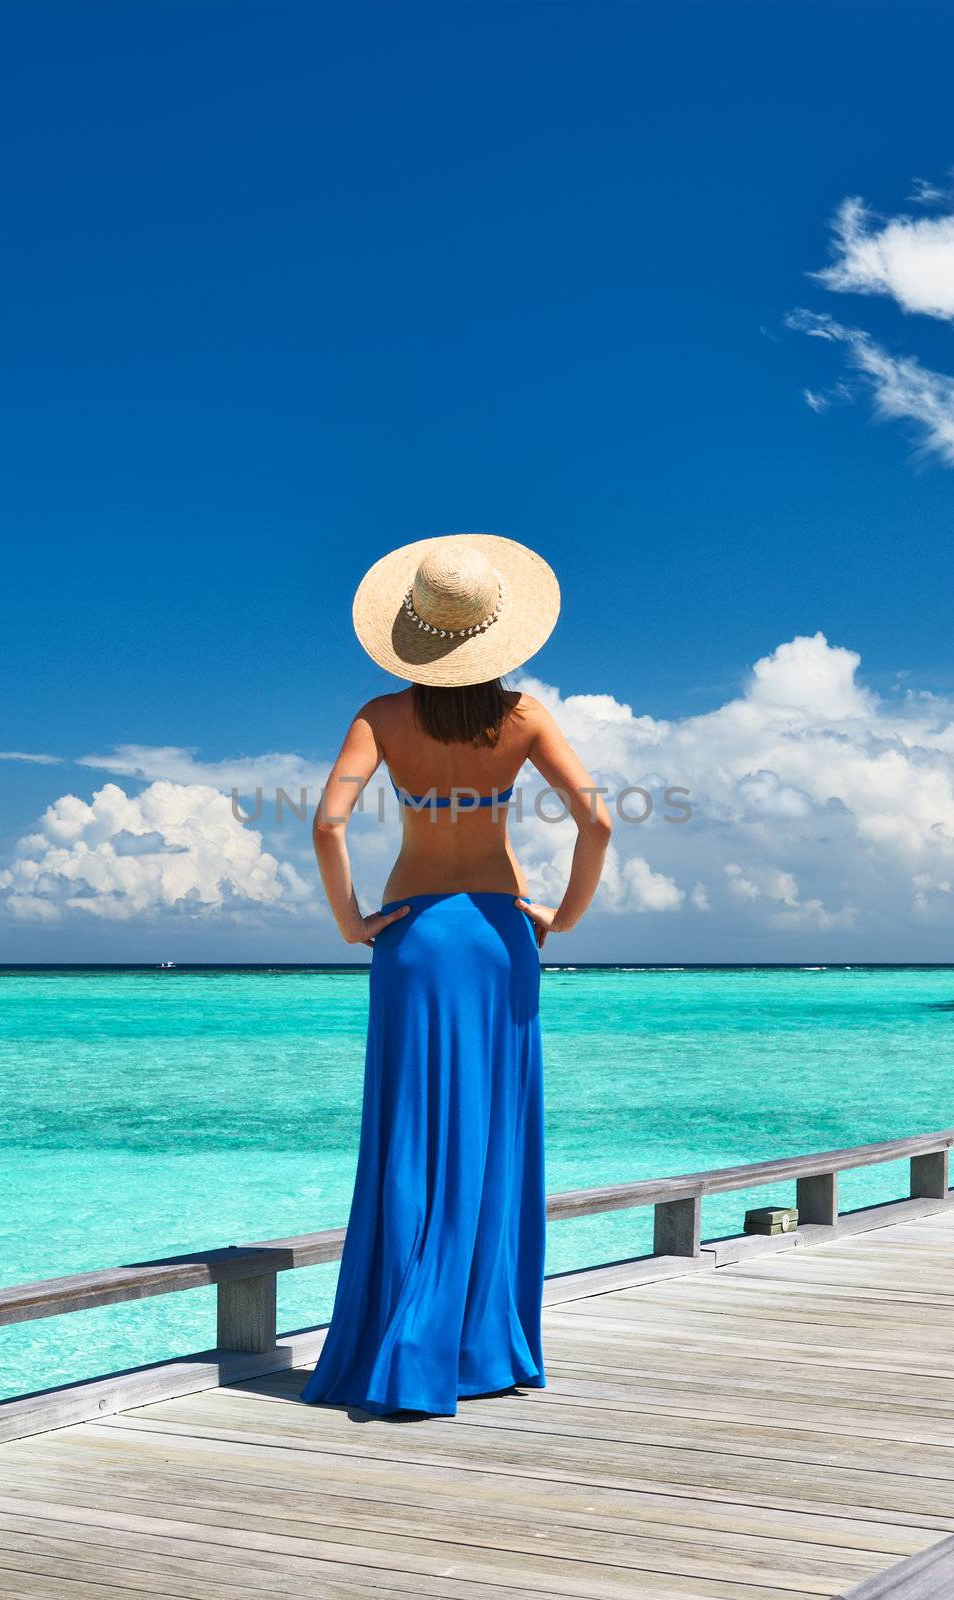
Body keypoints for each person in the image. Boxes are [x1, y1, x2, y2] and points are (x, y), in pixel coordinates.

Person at [300, 533, 612, 1417]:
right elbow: (598, 828)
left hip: (412, 937)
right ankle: (481, 1346)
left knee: (410, 1134)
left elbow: (328, 825)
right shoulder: (523, 718)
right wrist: (564, 916)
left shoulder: (382, 717)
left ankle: (404, 1337)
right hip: (499, 935)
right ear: (496, 631)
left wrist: (351, 922)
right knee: (490, 1133)